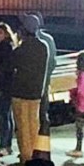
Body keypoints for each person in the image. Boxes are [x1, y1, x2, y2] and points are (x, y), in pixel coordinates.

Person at [11, 14, 50, 163]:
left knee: (22, 126)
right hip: (36, 92)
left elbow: (11, 65)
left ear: (23, 30)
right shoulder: (43, 47)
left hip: (20, 91)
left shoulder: (21, 49)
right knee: (34, 124)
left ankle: (26, 156)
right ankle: (34, 154)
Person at [32, 12, 58, 157]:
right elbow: (53, 62)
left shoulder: (33, 41)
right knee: (42, 115)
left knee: (33, 117)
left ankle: (36, 149)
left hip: (32, 86)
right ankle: (42, 149)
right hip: (44, 84)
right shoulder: (49, 39)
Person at [0, 22, 17, 157]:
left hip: (5, 85)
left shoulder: (5, 46)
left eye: (0, 33)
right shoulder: (7, 46)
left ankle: (4, 145)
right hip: (7, 85)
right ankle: (7, 145)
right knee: (7, 115)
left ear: (6, 34)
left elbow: (4, 65)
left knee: (4, 116)